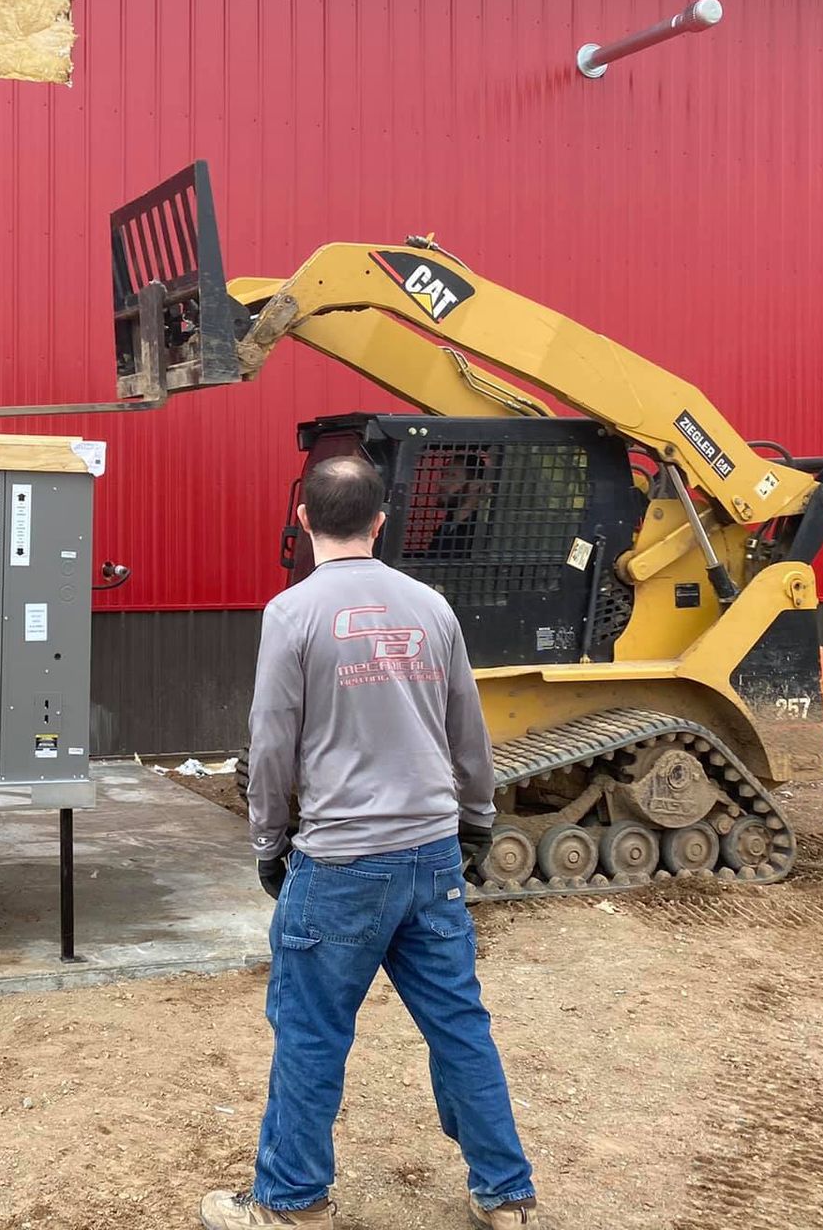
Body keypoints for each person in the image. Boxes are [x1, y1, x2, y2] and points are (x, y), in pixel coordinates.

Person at [201, 457, 542, 1230]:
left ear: (303, 521)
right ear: (381, 521)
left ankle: (291, 1203)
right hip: (431, 857)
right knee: (459, 1025)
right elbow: (468, 729)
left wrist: (268, 840)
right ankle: (506, 1193)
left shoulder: (292, 613)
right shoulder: (432, 608)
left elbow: (271, 741)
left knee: (312, 1033)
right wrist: (479, 820)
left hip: (341, 862)